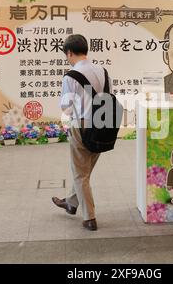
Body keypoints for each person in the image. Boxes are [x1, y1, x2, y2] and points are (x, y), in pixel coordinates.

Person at [52, 34, 112, 231]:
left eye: (66, 55)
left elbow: (66, 106)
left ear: (69, 53)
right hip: (103, 124)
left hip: (82, 124)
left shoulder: (70, 76)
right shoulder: (103, 71)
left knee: (80, 173)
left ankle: (89, 217)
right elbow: (109, 96)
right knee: (85, 172)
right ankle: (70, 202)